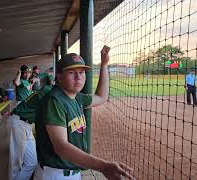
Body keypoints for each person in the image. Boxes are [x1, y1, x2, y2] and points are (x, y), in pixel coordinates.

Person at [34, 46, 134, 180]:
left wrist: (104, 65)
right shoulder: (54, 101)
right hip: (56, 174)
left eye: (81, 72)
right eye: (71, 72)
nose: (78, 77)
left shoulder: (77, 98)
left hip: (72, 171)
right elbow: (61, 147)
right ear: (59, 76)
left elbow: (102, 97)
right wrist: (103, 167)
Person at [8, 85, 53, 180]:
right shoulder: (48, 90)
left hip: (26, 124)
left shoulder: (48, 89)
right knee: (16, 161)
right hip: (19, 123)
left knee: (32, 162)